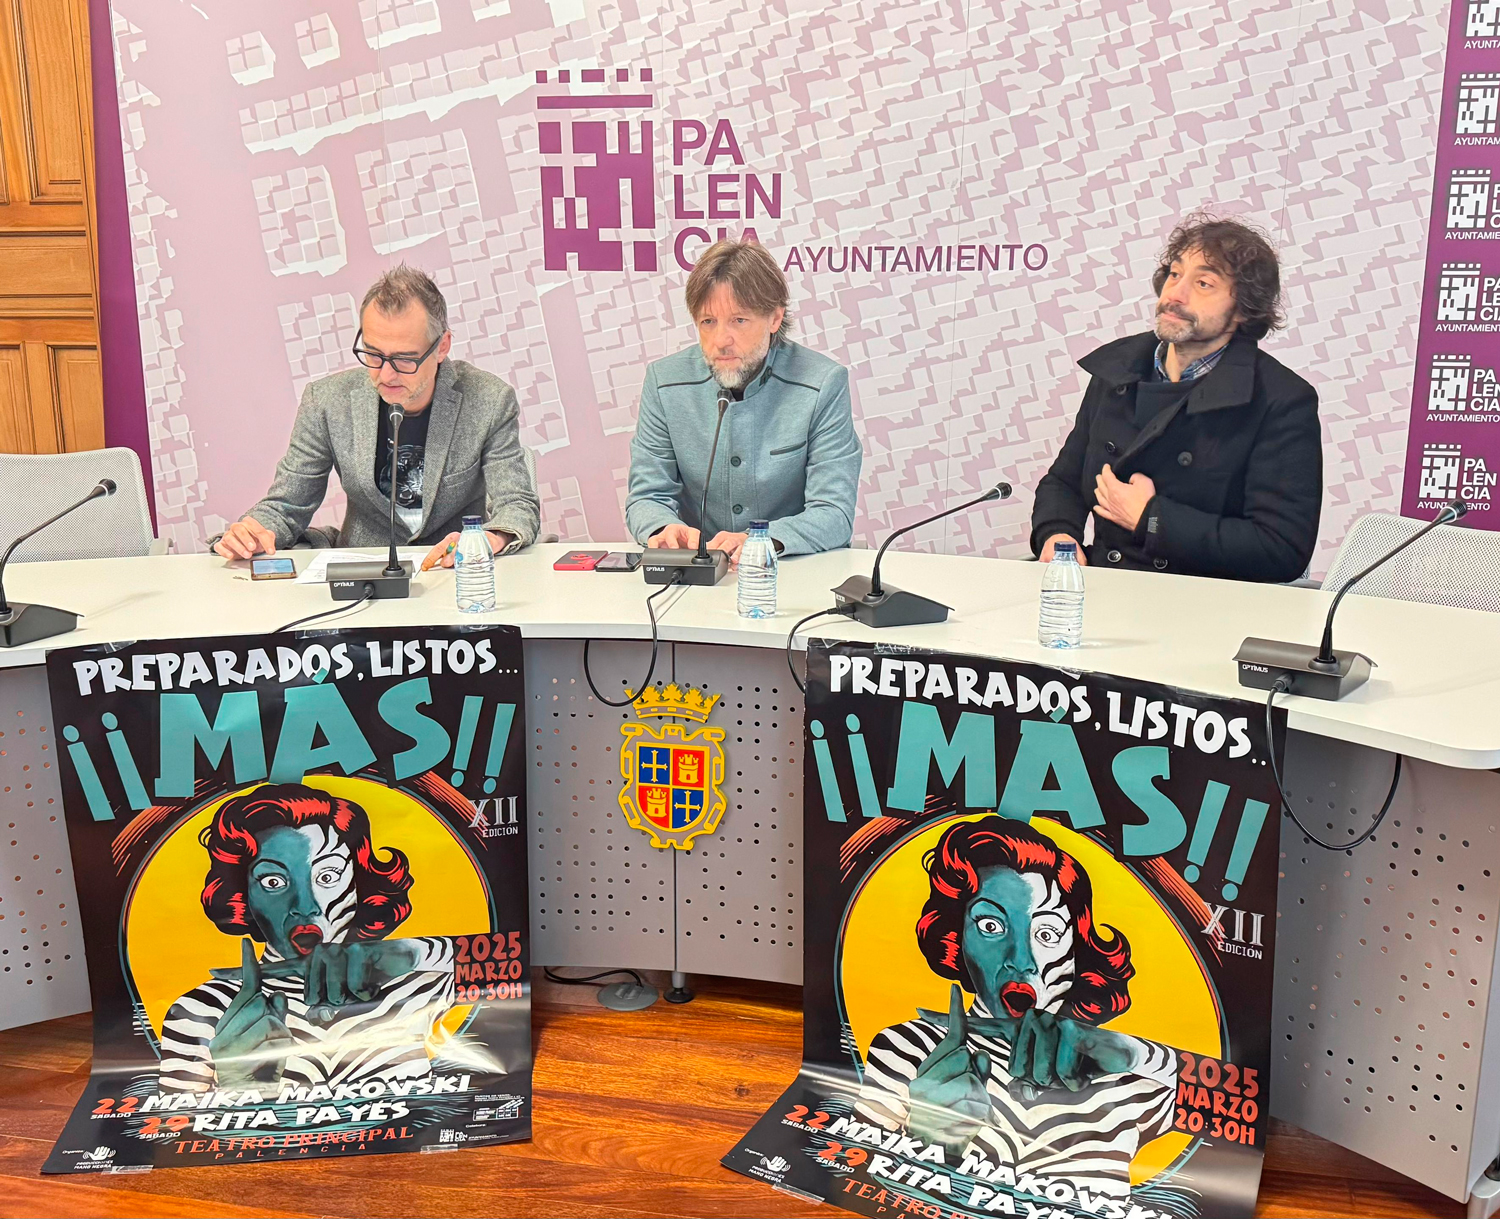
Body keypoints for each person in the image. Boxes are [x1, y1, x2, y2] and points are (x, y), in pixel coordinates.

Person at [855, 816, 1176, 1199]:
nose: (1021, 961)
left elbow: (1233, 1115)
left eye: (1047, 933)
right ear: (958, 939)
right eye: (991, 926)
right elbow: (851, 1171)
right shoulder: (909, 1048)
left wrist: (1134, 1053)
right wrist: (924, 1138)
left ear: (1076, 952)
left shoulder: (1132, 1079)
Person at [1030, 213, 1322, 582]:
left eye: (1203, 283)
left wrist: (1151, 519)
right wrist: (1059, 536)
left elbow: (1280, 549)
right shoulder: (1118, 371)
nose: (1175, 295)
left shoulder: (1281, 400)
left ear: (1244, 309)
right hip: (1105, 586)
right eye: (1174, 274)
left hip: (1204, 603)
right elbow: (1064, 483)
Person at [212, 266, 539, 569]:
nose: (385, 375)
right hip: (365, 572)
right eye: (372, 353)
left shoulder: (489, 400)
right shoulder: (327, 402)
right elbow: (286, 505)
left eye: (404, 359)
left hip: (454, 571)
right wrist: (252, 533)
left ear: (442, 347)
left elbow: (517, 504)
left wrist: (488, 539)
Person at [157, 784, 459, 1093]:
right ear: (244, 896)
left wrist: (414, 953)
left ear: (358, 882)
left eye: (328, 876)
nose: (306, 906)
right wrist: (239, 1085)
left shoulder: (424, 982)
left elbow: (495, 971)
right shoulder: (201, 1010)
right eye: (273, 881)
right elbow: (173, 1120)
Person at [625, 239, 862, 565]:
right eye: (708, 321)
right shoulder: (664, 382)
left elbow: (834, 513)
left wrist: (762, 540)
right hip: (699, 574)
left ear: (774, 318)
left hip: (789, 569)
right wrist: (663, 528)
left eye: (739, 320)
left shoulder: (823, 383)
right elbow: (647, 497)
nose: (721, 340)